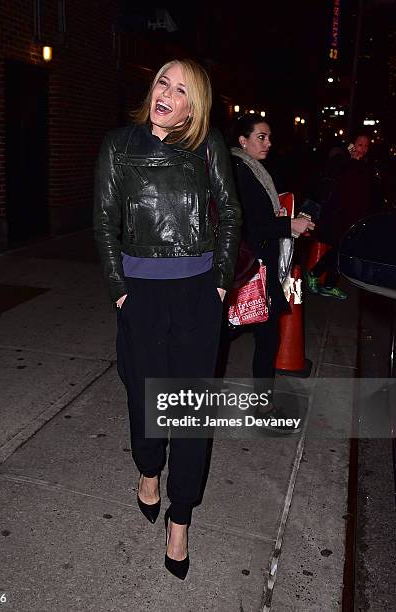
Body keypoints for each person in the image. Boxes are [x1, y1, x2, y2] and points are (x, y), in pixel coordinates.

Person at [93, 59, 241, 579]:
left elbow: (230, 211)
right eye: (162, 81)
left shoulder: (208, 146)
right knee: (146, 396)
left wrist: (220, 282)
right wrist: (118, 292)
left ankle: (180, 517)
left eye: (181, 89)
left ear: (192, 104)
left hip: (198, 294)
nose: (167, 93)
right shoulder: (119, 145)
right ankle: (148, 469)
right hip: (141, 295)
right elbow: (104, 222)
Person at [230, 115, 314, 432]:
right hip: (250, 268)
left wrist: (285, 217)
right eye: (261, 137)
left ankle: (263, 403)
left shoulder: (254, 170)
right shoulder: (239, 171)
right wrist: (287, 225)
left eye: (268, 138)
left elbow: (261, 215)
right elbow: (247, 225)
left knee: (265, 335)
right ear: (243, 140)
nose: (268, 143)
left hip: (260, 265)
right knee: (240, 331)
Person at [305, 132, 373, 299]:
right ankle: (318, 277)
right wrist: (348, 155)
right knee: (340, 250)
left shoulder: (365, 166)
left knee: (341, 250)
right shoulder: (341, 162)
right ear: (352, 145)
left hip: (352, 218)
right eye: (359, 145)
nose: (362, 149)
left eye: (366, 146)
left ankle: (324, 281)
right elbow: (332, 172)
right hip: (337, 215)